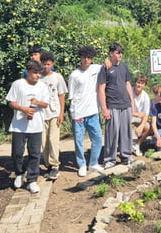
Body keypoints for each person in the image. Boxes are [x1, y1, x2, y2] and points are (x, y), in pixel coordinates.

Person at [6, 60, 50, 194]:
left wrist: (37, 102)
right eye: (35, 73)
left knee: (35, 154)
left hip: (36, 125)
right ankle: (19, 174)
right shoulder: (18, 84)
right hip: (19, 125)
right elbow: (10, 102)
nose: (37, 76)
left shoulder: (42, 86)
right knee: (17, 152)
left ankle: (32, 180)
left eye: (39, 73)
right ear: (28, 72)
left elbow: (46, 104)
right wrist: (22, 109)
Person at [98, 43, 135, 169]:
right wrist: (104, 108)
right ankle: (109, 159)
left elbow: (128, 84)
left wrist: (132, 103)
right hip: (112, 105)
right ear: (111, 53)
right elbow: (101, 89)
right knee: (111, 133)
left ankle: (126, 156)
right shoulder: (105, 68)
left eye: (121, 52)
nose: (120, 54)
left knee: (126, 132)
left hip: (125, 104)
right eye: (117, 52)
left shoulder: (124, 66)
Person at [68, 45, 104, 176]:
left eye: (89, 57)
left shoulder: (97, 68)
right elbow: (71, 97)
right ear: (80, 57)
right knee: (79, 141)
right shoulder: (74, 75)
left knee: (98, 139)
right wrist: (73, 113)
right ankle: (81, 164)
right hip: (78, 113)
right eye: (84, 57)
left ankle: (93, 163)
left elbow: (109, 64)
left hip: (93, 112)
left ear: (92, 58)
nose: (86, 60)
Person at [39, 52, 68, 180]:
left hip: (54, 112)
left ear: (52, 64)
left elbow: (61, 96)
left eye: (48, 64)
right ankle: (48, 165)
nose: (46, 67)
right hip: (41, 114)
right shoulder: (38, 78)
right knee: (43, 141)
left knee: (53, 139)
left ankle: (55, 165)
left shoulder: (57, 77)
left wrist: (61, 113)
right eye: (43, 64)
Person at [131, 75, 151, 156]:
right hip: (128, 116)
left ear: (144, 86)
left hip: (138, 118)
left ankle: (137, 145)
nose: (139, 85)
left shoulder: (145, 97)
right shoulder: (129, 92)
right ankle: (126, 145)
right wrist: (136, 114)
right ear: (135, 83)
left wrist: (141, 126)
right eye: (138, 82)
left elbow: (146, 115)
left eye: (142, 83)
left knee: (148, 127)